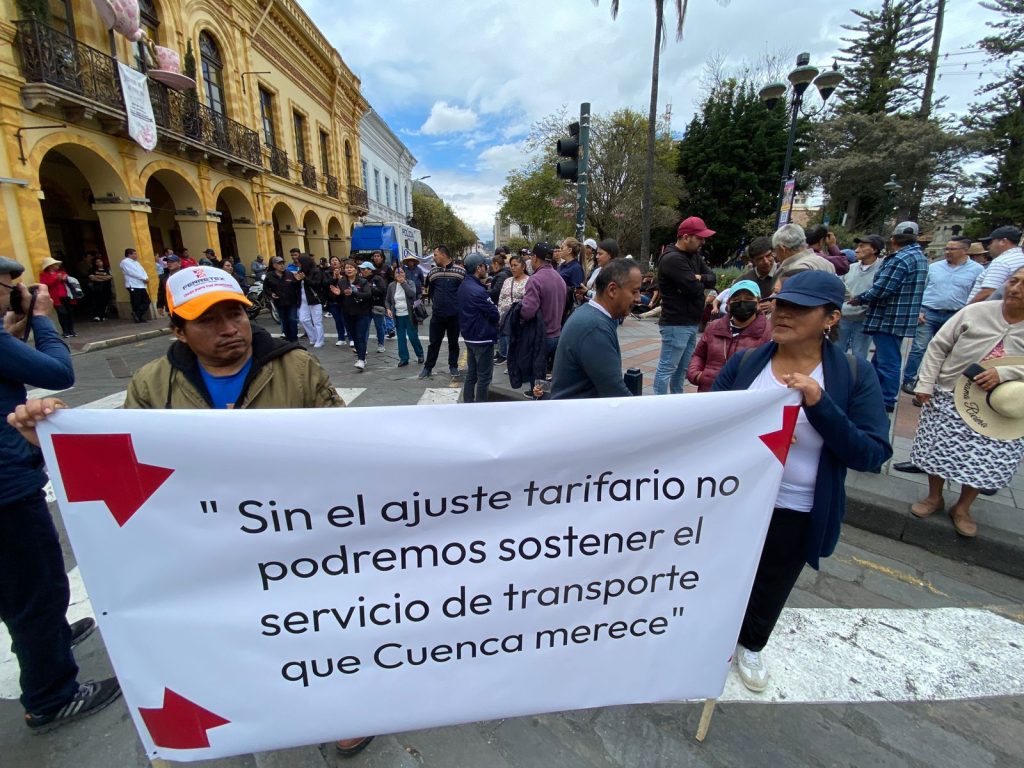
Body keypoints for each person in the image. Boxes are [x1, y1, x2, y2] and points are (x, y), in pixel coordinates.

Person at [713, 270, 891, 691]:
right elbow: (710, 425)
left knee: (773, 579)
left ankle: (752, 644)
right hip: (736, 500)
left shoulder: (853, 375)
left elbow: (871, 453)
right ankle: (711, 637)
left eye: (800, 308)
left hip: (797, 507)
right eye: (782, 304)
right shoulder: (745, 363)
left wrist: (818, 404)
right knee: (722, 574)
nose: (784, 314)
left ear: (831, 318)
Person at [0, 256, 120, 731]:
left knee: (18, 589)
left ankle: (49, 639)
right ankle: (52, 695)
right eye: (10, 286)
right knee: (38, 588)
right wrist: (44, 320)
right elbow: (57, 371)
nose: (15, 293)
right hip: (8, 490)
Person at [907, 266, 1024, 538]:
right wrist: (925, 383)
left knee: (988, 458)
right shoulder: (975, 311)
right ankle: (934, 497)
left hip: (1005, 409)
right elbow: (938, 346)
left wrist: (1006, 373)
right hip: (951, 392)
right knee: (939, 448)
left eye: (1023, 285)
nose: (1015, 289)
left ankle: (963, 508)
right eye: (1013, 281)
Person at [848, 222, 928, 412]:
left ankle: (886, 399)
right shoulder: (918, 257)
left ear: (893, 239)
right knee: (882, 359)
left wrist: (859, 299)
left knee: (888, 361)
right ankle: (874, 393)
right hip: (898, 316)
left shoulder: (901, 259)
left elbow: (882, 289)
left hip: (889, 317)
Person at [900, 236, 984, 394]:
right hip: (929, 312)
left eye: (952, 249)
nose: (947, 252)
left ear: (965, 250)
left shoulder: (977, 270)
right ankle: (909, 380)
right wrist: (917, 310)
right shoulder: (934, 267)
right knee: (919, 348)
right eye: (946, 248)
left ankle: (933, 382)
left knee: (946, 351)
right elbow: (920, 289)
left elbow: (977, 295)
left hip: (955, 315)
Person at [551, 258, 643, 400]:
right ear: (612, 290)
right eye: (634, 291)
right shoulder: (595, 328)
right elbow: (615, 393)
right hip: (579, 417)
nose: (639, 299)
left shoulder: (592, 315)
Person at [653, 217, 718, 395]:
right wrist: (698, 280)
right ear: (686, 237)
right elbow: (695, 290)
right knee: (667, 368)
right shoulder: (672, 259)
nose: (703, 242)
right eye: (700, 238)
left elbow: (712, 278)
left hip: (690, 322)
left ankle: (676, 401)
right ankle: (658, 406)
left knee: (682, 369)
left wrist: (700, 277)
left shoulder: (694, 255)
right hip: (676, 323)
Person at [687, 280, 772, 392]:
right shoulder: (714, 327)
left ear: (758, 303)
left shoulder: (769, 332)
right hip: (708, 394)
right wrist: (697, 375)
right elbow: (698, 355)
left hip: (744, 398)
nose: (742, 303)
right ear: (728, 303)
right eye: (736, 300)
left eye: (748, 299)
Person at [519, 242, 567, 386]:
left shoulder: (535, 279)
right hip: (557, 335)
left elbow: (528, 312)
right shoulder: (559, 278)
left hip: (541, 337)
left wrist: (518, 308)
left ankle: (538, 402)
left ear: (534, 257)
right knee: (546, 377)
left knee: (537, 378)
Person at [458, 254, 500, 403]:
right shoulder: (478, 291)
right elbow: (495, 313)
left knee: (472, 375)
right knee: (484, 378)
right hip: (482, 338)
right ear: (478, 268)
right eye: (484, 265)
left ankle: (468, 403)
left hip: (470, 337)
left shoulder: (464, 286)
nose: (486, 267)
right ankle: (480, 408)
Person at [418, 246, 465, 379]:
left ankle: (453, 366)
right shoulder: (433, 273)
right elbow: (430, 291)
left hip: (454, 315)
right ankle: (428, 368)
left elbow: (464, 292)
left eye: (436, 254)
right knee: (434, 343)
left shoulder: (460, 272)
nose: (434, 257)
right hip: (437, 315)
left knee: (453, 342)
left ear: (444, 255)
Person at [837, 235, 884, 359]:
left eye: (862, 246)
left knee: (859, 355)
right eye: (857, 246)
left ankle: (856, 377)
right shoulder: (849, 268)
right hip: (843, 317)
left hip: (864, 319)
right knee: (837, 351)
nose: (857, 250)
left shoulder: (882, 270)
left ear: (874, 250)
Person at [968, 225, 1023, 304]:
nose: (989, 246)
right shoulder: (1020, 258)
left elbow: (988, 292)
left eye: (991, 242)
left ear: (1003, 242)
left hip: (987, 310)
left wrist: (965, 310)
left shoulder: (1002, 261)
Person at [772, 223, 836, 285]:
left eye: (775, 250)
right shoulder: (828, 264)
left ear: (782, 249)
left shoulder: (793, 271)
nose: (775, 255)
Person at [385, 266, 424, 367]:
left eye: (401, 272)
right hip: (398, 315)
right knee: (401, 338)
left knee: (413, 336)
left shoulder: (410, 283)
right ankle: (403, 358)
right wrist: (388, 308)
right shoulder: (391, 285)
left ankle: (420, 354)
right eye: (397, 273)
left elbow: (412, 294)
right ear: (394, 275)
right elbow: (388, 300)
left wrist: (403, 283)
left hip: (409, 314)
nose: (399, 274)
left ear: (405, 274)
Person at [496, 252, 530, 364]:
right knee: (507, 342)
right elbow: (501, 298)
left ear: (523, 267)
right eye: (511, 265)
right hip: (506, 318)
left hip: (520, 319)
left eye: (516, 265)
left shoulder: (529, 281)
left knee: (519, 343)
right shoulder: (507, 281)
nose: (513, 268)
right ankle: (511, 362)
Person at [339, 261, 372, 371]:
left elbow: (368, 295)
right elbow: (339, 298)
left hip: (362, 313)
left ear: (356, 270)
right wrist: (337, 294)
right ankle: (361, 356)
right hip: (347, 313)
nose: (348, 269)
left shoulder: (363, 282)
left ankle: (361, 360)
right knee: (353, 337)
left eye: (351, 267)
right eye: (346, 267)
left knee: (360, 336)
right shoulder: (342, 282)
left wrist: (354, 293)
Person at [38, 257, 76, 338]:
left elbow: (68, 280)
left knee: (70, 313)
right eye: (55, 265)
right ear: (50, 266)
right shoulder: (44, 275)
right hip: (55, 297)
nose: (57, 266)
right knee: (62, 313)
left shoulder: (61, 272)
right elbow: (45, 285)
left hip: (66, 295)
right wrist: (56, 279)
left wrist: (65, 278)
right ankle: (65, 331)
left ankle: (72, 330)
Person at [264, 256, 300, 342]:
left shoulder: (289, 274)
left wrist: (297, 281)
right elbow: (265, 288)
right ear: (274, 265)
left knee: (292, 320)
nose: (282, 265)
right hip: (279, 302)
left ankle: (294, 339)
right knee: (284, 321)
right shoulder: (269, 276)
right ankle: (288, 338)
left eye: (283, 263)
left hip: (291, 302)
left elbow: (296, 287)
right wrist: (271, 294)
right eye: (279, 264)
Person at [295, 254, 326, 349]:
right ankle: (313, 337)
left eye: (299, 263)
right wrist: (297, 280)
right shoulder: (300, 271)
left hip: (314, 299)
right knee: (303, 319)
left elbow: (317, 284)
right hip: (303, 299)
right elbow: (297, 286)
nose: (298, 264)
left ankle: (320, 340)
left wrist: (305, 279)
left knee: (317, 321)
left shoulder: (316, 271)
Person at [735, 237, 777, 302]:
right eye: (760, 259)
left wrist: (776, 304)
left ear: (773, 253)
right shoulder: (743, 281)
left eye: (768, 255)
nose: (766, 261)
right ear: (752, 261)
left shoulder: (786, 274)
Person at [580, 239, 620, 303]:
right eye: (597, 254)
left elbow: (607, 298)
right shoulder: (597, 270)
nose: (596, 257)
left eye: (600, 254)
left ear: (610, 255)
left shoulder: (616, 274)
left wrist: (587, 292)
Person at [362, 261, 389, 353]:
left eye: (364, 269)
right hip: (365, 306)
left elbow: (382, 291)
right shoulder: (360, 279)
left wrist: (370, 288)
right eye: (361, 269)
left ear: (370, 270)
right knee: (365, 327)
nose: (362, 271)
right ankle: (363, 346)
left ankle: (381, 344)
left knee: (379, 326)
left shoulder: (378, 279)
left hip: (377, 306)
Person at [557, 237, 586, 321]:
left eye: (562, 247)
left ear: (569, 250)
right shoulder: (563, 265)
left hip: (567, 308)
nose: (560, 250)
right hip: (559, 304)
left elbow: (577, 291)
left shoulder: (576, 268)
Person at [119, 248, 150, 323]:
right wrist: (143, 278)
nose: (136, 255)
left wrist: (146, 277)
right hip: (133, 285)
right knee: (136, 302)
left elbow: (143, 271)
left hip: (141, 285)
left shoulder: (136, 262)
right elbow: (131, 272)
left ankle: (138, 315)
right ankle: (137, 315)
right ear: (129, 254)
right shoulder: (125, 262)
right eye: (134, 253)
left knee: (146, 301)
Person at [324, 256, 349, 347]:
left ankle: (351, 338)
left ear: (339, 262)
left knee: (345, 320)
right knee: (338, 320)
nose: (334, 262)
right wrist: (334, 277)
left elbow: (347, 283)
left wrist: (340, 277)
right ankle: (341, 338)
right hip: (333, 300)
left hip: (344, 300)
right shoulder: (327, 273)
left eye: (336, 260)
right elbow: (325, 284)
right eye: (332, 260)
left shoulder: (345, 272)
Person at [86, 255, 113, 322]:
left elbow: (110, 277)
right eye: (97, 262)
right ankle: (97, 316)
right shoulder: (92, 270)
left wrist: (98, 277)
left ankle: (103, 315)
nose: (99, 263)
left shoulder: (107, 269)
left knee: (105, 302)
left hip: (106, 288)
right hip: (97, 289)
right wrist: (103, 278)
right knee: (97, 302)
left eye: (100, 261)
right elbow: (92, 278)